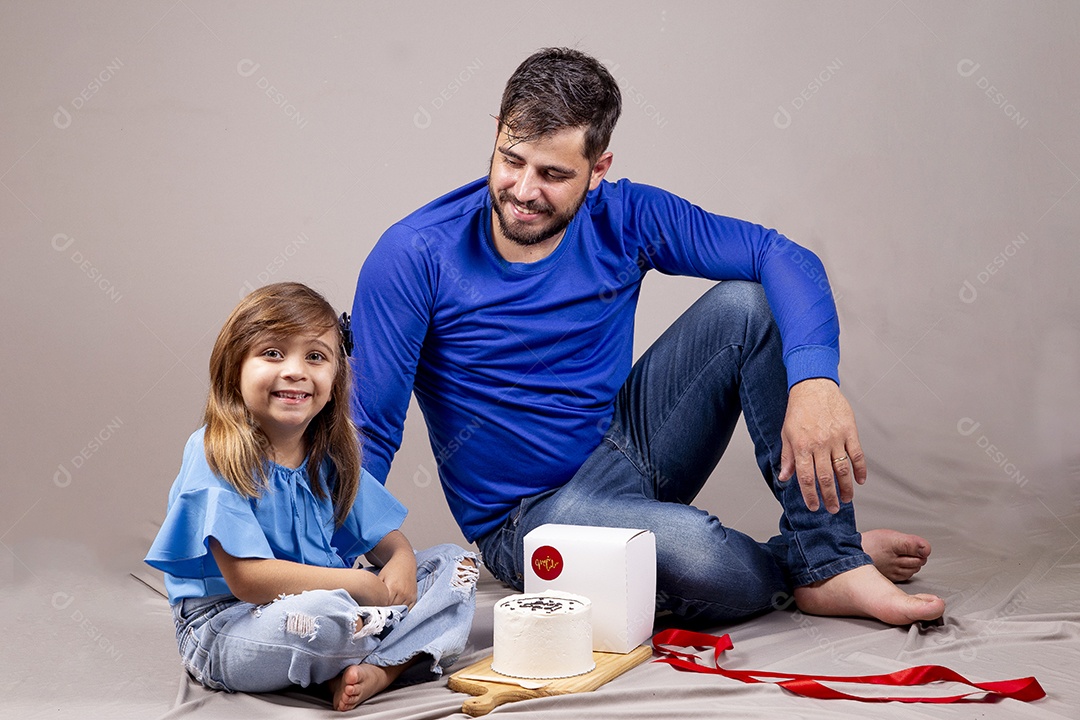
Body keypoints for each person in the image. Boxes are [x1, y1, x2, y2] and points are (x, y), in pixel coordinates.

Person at [351, 47, 944, 627]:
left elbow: (780, 255)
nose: (525, 190)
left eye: (554, 174)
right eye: (511, 160)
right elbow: (370, 429)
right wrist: (325, 566)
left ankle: (829, 553)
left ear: (598, 170)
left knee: (751, 302)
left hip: (629, 443)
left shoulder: (625, 215)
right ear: (496, 139)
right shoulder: (413, 255)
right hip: (528, 521)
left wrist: (816, 381)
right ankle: (807, 566)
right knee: (701, 554)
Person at [145, 282, 478, 712]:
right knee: (319, 619)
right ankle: (385, 647)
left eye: (316, 356)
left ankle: (378, 669)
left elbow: (388, 540)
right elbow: (247, 580)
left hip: (339, 603)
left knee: (458, 565)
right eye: (272, 353)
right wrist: (358, 583)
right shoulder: (215, 450)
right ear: (234, 368)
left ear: (336, 376)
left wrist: (402, 562)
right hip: (231, 624)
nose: (296, 371)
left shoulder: (329, 454)